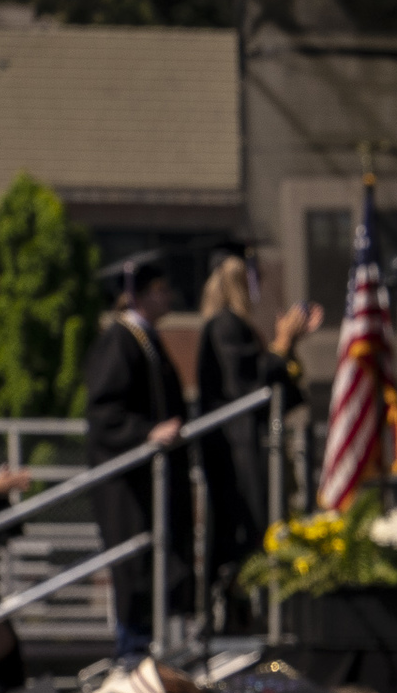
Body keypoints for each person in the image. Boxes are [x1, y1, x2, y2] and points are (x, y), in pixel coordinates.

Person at [80, 254, 193, 650]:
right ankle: (131, 659)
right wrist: (148, 432)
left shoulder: (145, 339)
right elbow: (103, 412)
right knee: (136, 573)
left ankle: (145, 656)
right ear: (139, 296)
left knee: (155, 573)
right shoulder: (121, 339)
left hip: (148, 484)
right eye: (161, 290)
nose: (169, 298)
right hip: (126, 487)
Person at [191, 248, 317, 598]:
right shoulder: (225, 325)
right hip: (237, 452)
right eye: (253, 277)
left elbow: (277, 391)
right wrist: (281, 344)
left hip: (247, 446)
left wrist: (287, 347)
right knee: (245, 535)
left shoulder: (236, 326)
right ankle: (242, 607)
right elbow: (247, 388)